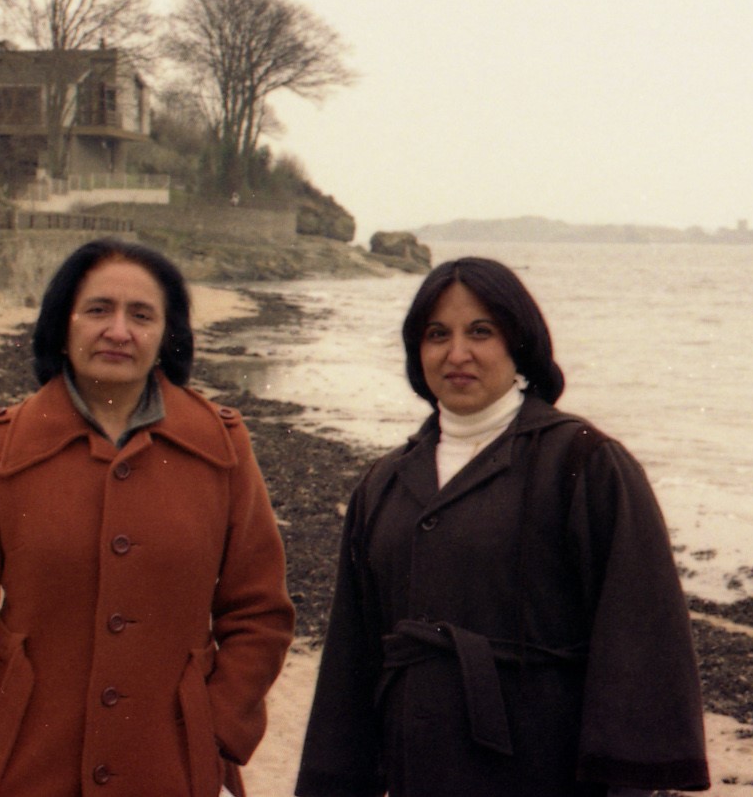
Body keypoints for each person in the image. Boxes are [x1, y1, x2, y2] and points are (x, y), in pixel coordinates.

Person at [296, 257, 709, 797]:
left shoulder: (584, 461)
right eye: (437, 334)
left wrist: (626, 785)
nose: (457, 353)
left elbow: (641, 638)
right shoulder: (384, 482)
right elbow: (351, 658)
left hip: (544, 770)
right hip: (416, 770)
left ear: (519, 343)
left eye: (480, 332)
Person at [0, 238, 295, 797]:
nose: (118, 331)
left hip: (171, 769)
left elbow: (259, 612)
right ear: (63, 324)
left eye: (141, 315)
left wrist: (215, 732)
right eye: (98, 310)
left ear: (167, 334)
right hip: (21, 769)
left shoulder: (223, 448)